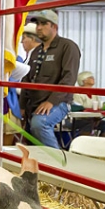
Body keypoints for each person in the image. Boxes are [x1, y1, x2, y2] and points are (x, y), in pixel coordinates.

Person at [20, 10, 81, 149]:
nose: (39, 27)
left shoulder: (67, 47)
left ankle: (57, 164)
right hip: (34, 104)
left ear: (54, 26)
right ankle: (39, 167)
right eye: (37, 24)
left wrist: (51, 101)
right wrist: (22, 105)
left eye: (43, 24)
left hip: (59, 102)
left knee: (40, 124)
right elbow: (28, 78)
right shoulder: (37, 51)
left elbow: (69, 77)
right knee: (31, 138)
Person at [72, 71, 105, 137]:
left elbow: (100, 106)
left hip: (94, 120)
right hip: (80, 120)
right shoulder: (78, 93)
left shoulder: (95, 93)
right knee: (87, 124)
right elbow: (78, 109)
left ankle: (100, 143)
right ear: (84, 80)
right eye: (90, 77)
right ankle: (86, 143)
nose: (93, 78)